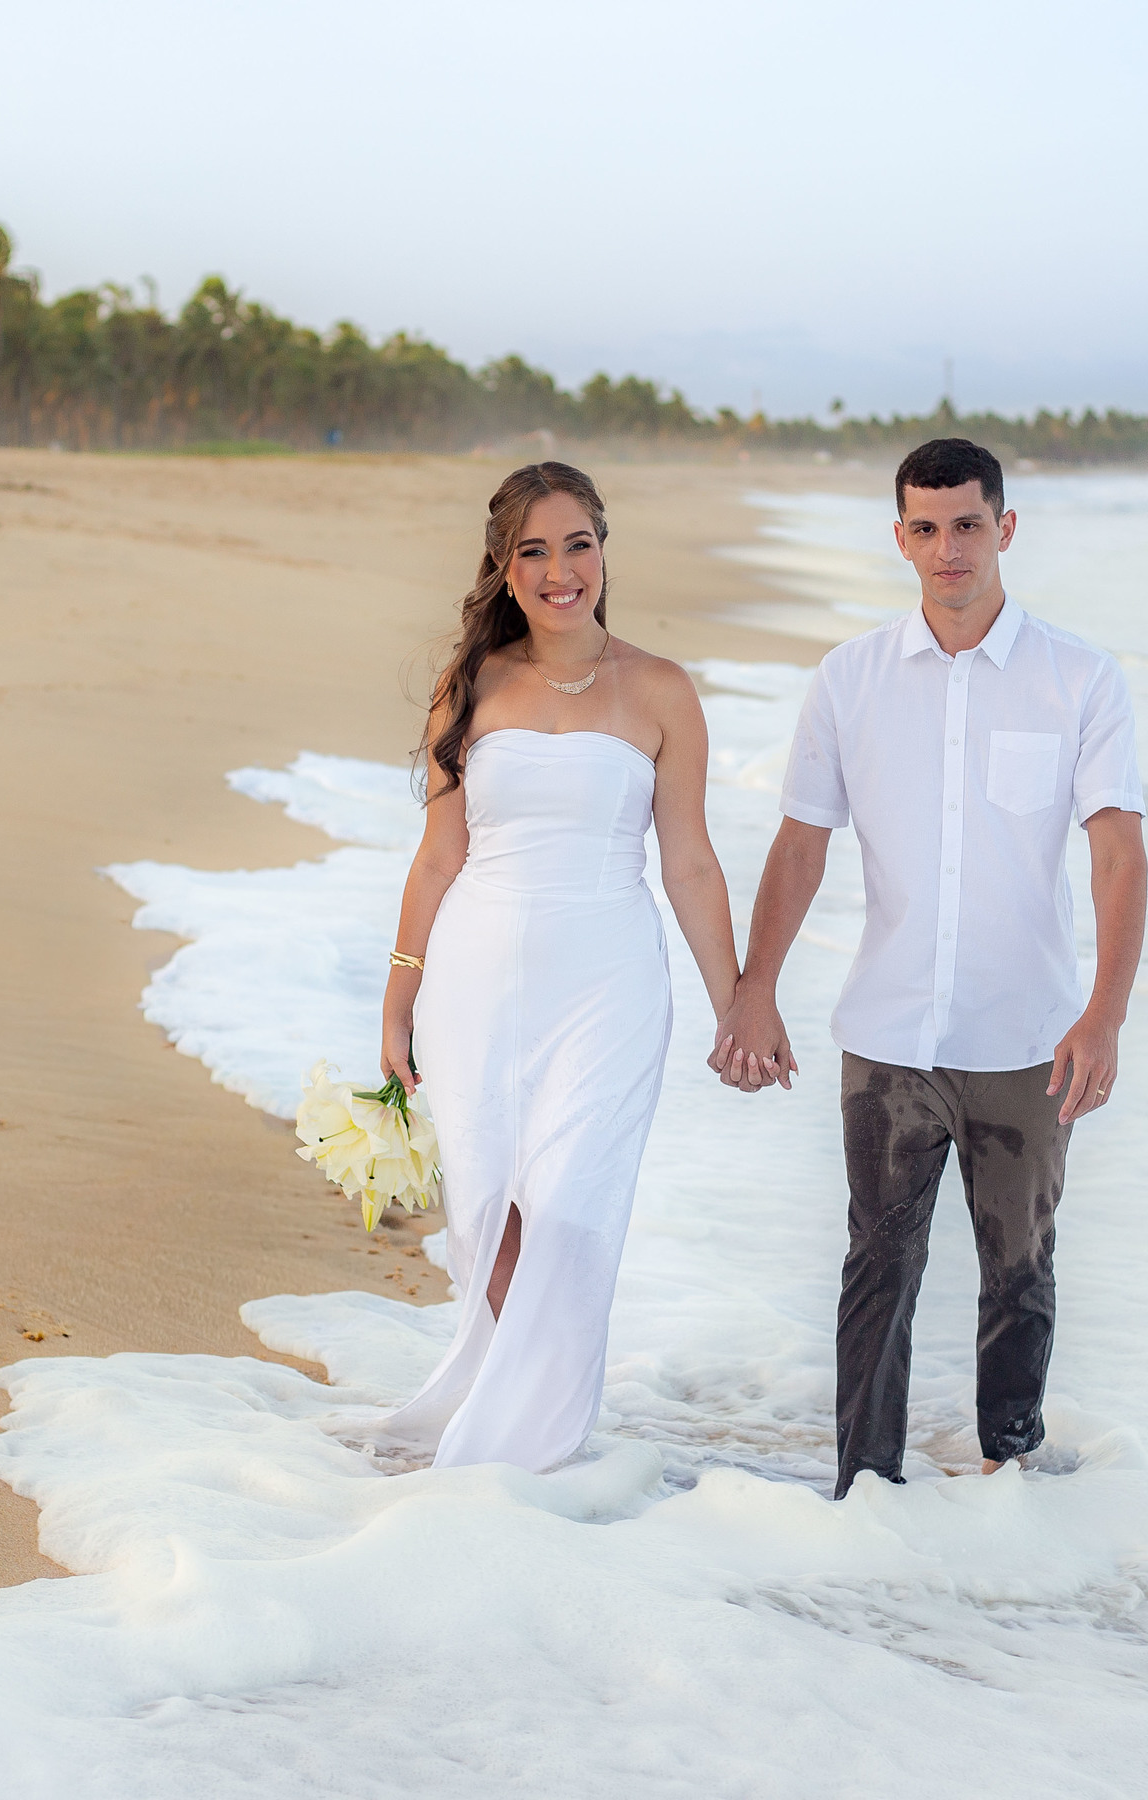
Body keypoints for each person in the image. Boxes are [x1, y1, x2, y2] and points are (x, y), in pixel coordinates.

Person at [710, 438, 1148, 1499]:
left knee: (1021, 1269)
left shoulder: (1079, 678)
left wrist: (1104, 1015)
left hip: (1025, 1037)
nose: (947, 548)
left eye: (966, 524)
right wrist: (754, 986)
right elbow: (801, 842)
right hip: (890, 1033)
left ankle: (1010, 1467)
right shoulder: (851, 679)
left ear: (1004, 528)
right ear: (899, 538)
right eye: (925, 527)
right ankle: (864, 1487)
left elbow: (1117, 849)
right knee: (878, 1268)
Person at [377, 461, 739, 1473]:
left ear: (604, 549)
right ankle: (514, 1421)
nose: (559, 569)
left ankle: (534, 1437)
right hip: (476, 982)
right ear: (503, 566)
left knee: (573, 1208)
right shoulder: (474, 685)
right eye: (533, 550)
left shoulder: (662, 689)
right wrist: (398, 995)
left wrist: (739, 1004)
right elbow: (440, 855)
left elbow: (692, 861)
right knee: (492, 1212)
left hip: (610, 982)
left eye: (577, 542)